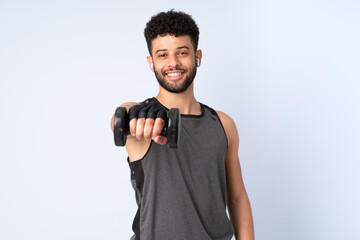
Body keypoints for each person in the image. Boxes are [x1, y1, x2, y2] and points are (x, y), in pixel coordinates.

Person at [111, 10, 254, 240]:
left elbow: (237, 197)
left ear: (197, 56)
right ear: (151, 62)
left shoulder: (223, 124)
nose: (173, 63)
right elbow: (122, 116)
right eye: (163, 55)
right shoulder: (144, 122)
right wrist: (135, 115)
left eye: (182, 52)